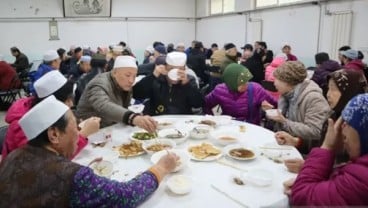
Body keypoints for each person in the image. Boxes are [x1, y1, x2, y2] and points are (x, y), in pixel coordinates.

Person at [0, 96, 178, 207]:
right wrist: (161, 168)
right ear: (54, 134)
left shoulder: (13, 156)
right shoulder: (72, 176)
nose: (79, 133)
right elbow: (126, 196)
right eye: (74, 127)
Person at [284, 93, 368, 206]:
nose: (342, 128)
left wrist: (328, 146)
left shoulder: (361, 180)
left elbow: (302, 197)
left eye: (348, 122)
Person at [1, 70, 100, 160]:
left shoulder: (38, 107)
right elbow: (47, 162)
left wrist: (73, 129)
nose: (71, 104)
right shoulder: (25, 126)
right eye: (68, 99)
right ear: (53, 101)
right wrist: (83, 134)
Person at [77, 56, 157, 131]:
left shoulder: (123, 84)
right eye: (128, 75)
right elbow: (103, 105)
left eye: (134, 76)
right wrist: (133, 118)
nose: (131, 80)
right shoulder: (99, 83)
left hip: (110, 128)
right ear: (115, 72)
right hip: (90, 131)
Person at [267, 61, 330, 154]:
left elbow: (315, 131)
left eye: (277, 79)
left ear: (288, 81)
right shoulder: (286, 95)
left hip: (305, 152)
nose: (274, 83)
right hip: (287, 145)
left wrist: (284, 122)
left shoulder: (314, 98)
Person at [133, 52, 204, 116]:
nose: (175, 72)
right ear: (165, 67)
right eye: (172, 69)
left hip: (182, 120)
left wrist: (186, 84)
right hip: (158, 118)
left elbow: (198, 104)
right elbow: (137, 94)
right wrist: (153, 76)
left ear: (184, 69)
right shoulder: (157, 79)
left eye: (180, 69)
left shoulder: (189, 79)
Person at [205, 63, 277, 125]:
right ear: (231, 82)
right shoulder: (220, 90)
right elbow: (205, 104)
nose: (246, 85)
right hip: (228, 127)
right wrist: (212, 120)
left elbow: (276, 104)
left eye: (247, 81)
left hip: (251, 128)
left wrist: (270, 109)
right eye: (242, 83)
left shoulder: (256, 89)